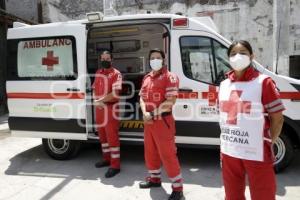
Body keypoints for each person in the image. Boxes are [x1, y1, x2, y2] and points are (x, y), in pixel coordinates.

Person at [218, 40, 285, 200]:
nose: (237, 57)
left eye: (243, 53)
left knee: (263, 194)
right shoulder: (223, 85)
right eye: (233, 54)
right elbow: (223, 119)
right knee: (232, 195)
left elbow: (278, 119)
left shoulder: (264, 82)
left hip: (256, 152)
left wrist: (269, 141)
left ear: (252, 56)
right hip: (230, 151)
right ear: (228, 58)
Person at [139, 48, 184, 200]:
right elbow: (141, 98)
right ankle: (155, 179)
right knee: (150, 152)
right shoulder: (147, 78)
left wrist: (151, 114)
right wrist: (145, 113)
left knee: (168, 154)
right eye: (152, 57)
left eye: (158, 57)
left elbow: (170, 101)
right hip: (149, 121)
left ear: (163, 60)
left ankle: (178, 189)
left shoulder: (170, 77)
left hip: (163, 121)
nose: (155, 60)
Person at [92, 50, 122, 178]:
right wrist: (95, 100)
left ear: (111, 60)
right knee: (102, 137)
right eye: (102, 58)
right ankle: (106, 159)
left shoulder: (116, 74)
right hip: (99, 109)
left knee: (112, 138)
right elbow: (94, 88)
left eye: (107, 58)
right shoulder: (98, 72)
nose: (105, 60)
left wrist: (100, 101)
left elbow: (115, 93)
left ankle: (115, 166)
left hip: (110, 109)